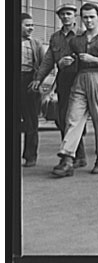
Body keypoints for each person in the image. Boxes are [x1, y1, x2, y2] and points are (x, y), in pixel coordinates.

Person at [52, 3, 98, 177]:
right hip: (80, 79)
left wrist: (93, 59)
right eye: (85, 17)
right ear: (81, 19)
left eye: (92, 17)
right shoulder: (77, 40)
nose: (88, 20)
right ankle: (67, 159)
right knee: (72, 118)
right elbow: (67, 59)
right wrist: (62, 63)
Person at [31, 4, 88, 168]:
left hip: (81, 78)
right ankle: (78, 155)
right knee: (62, 118)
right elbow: (48, 59)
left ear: (75, 16)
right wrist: (38, 78)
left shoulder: (83, 35)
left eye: (68, 14)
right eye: (62, 14)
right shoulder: (56, 37)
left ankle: (86, 157)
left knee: (73, 118)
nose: (65, 17)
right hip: (63, 80)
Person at [21, 13, 45, 167]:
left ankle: (30, 156)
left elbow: (44, 65)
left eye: (32, 25)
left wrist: (39, 82)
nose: (31, 28)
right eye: (27, 25)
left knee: (31, 121)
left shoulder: (36, 43)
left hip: (30, 82)